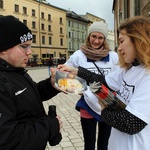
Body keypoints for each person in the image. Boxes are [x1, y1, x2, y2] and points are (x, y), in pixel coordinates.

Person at [58, 16, 150, 150]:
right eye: (93, 36)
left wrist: (103, 107)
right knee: (89, 143)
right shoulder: (130, 68)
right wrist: (75, 72)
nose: (119, 48)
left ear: (138, 40)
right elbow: (103, 80)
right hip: (95, 112)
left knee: (102, 142)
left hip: (135, 144)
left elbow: (132, 124)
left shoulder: (146, 75)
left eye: (122, 41)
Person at [0, 15, 62, 150]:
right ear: (3, 48)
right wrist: (51, 125)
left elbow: (28, 94)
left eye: (30, 46)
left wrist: (51, 84)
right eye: (24, 46)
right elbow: (8, 138)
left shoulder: (15, 70)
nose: (30, 52)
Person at [63, 21, 118, 150]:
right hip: (87, 105)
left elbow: (118, 80)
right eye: (94, 36)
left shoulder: (113, 57)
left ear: (104, 39)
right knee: (89, 144)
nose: (96, 41)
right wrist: (81, 90)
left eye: (100, 38)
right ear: (88, 37)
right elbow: (63, 76)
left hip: (108, 104)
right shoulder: (78, 55)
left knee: (104, 144)